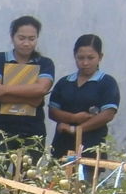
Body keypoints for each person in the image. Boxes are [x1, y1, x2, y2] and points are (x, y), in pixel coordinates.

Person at [0, 15, 55, 183]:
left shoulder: (45, 63)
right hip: (0, 131)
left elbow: (42, 88)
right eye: (21, 38)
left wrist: (5, 89)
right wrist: (31, 97)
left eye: (32, 38)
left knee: (25, 185)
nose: (26, 43)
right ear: (12, 37)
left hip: (33, 133)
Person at [49, 34, 120, 163]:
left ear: (100, 57)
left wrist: (76, 129)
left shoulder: (107, 82)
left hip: (91, 147)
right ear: (74, 56)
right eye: (80, 58)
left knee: (86, 182)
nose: (85, 63)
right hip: (62, 146)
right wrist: (73, 118)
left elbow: (108, 114)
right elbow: (53, 111)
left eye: (90, 58)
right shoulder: (64, 82)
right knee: (58, 181)